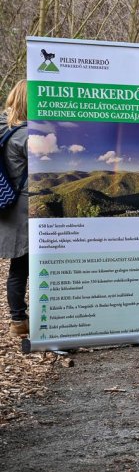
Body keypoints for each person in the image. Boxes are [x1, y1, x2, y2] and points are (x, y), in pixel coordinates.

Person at [1, 80, 29, 338]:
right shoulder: (27, 135)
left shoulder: (3, 127)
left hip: (7, 202)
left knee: (17, 266)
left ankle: (18, 319)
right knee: (23, 266)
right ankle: (19, 320)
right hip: (25, 206)